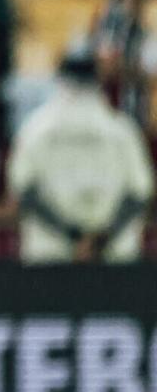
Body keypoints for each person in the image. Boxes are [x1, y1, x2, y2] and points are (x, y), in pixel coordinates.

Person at [9, 52, 153, 264]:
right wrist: (99, 240)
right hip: (111, 257)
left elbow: (25, 192)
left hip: (51, 255)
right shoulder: (122, 129)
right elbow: (139, 194)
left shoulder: (35, 128)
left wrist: (73, 237)